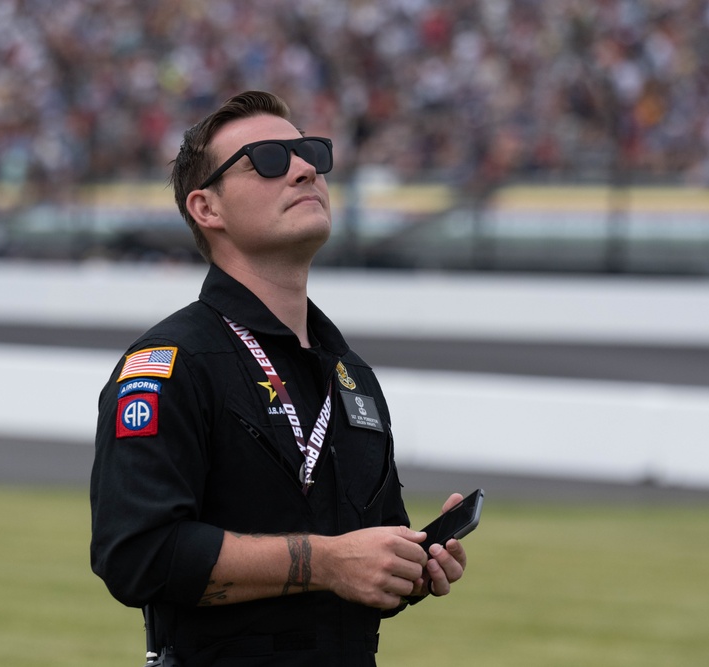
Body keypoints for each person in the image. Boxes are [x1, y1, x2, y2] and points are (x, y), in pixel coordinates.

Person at [89, 90, 468, 666]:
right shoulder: (171, 362)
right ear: (206, 208)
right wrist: (328, 561)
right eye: (268, 159)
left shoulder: (351, 375)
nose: (305, 168)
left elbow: (358, 561)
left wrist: (407, 565)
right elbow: (136, 554)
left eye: (309, 151)